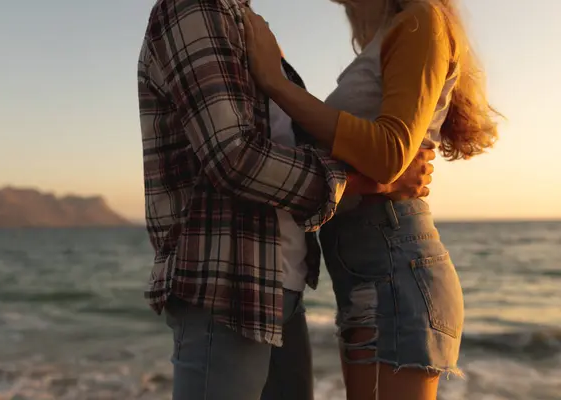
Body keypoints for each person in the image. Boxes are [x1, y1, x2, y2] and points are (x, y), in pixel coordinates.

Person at [138, 0, 437, 399]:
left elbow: (293, 153)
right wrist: (365, 181)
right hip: (227, 286)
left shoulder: (243, 21)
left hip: (282, 288)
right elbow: (234, 157)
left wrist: (371, 175)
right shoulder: (195, 8)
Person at [243, 0, 500, 399]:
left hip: (395, 260)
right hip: (367, 267)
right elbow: (361, 155)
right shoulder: (391, 35)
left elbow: (387, 155)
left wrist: (276, 84)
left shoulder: (422, 19)